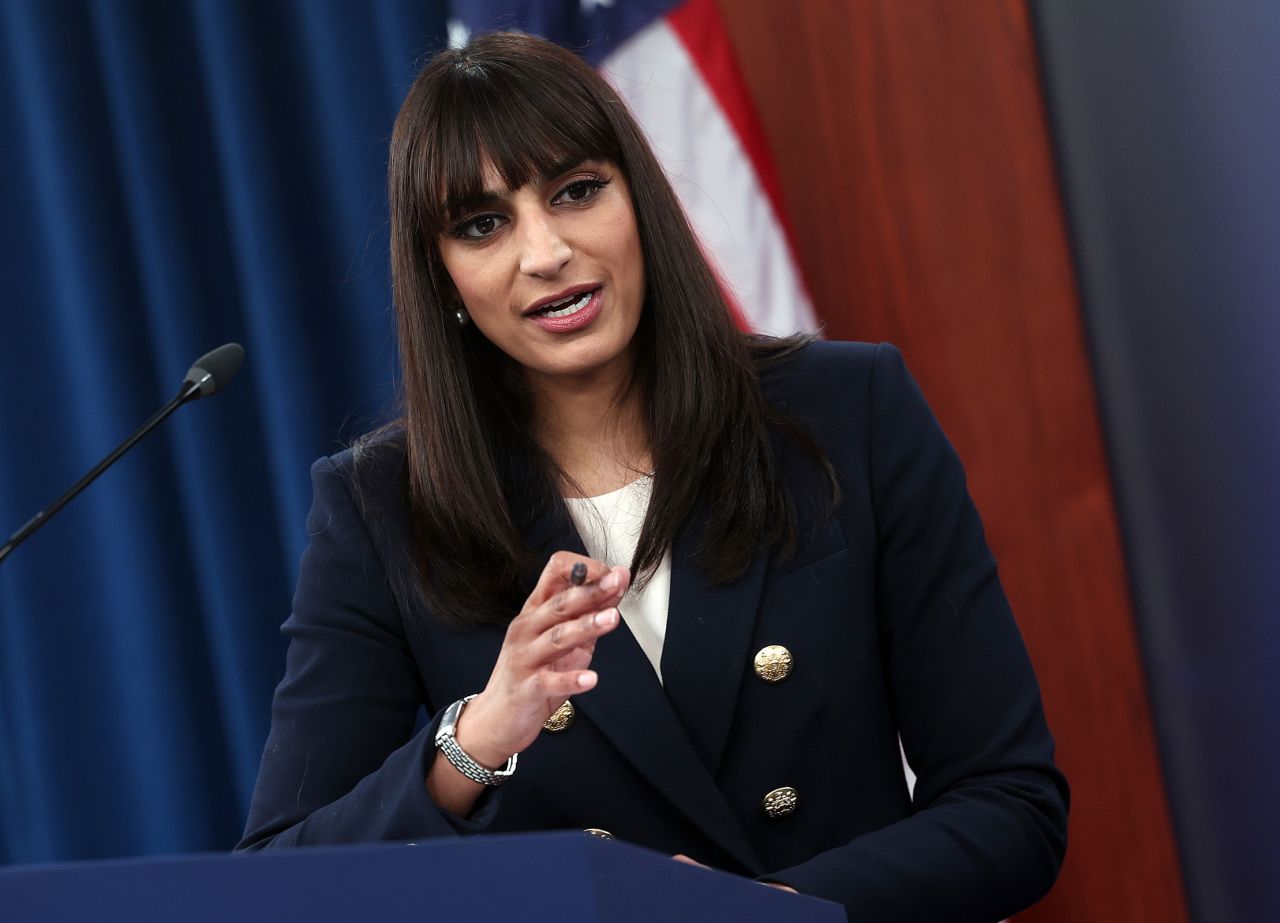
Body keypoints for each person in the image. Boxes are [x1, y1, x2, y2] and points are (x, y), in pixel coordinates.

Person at [238, 30, 1068, 922]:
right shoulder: (382, 508)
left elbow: (1011, 807)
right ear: (443, 277)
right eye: (483, 224)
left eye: (577, 191)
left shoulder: (848, 410)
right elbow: (282, 884)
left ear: (642, 200)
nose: (544, 251)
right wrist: (476, 738)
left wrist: (773, 910)